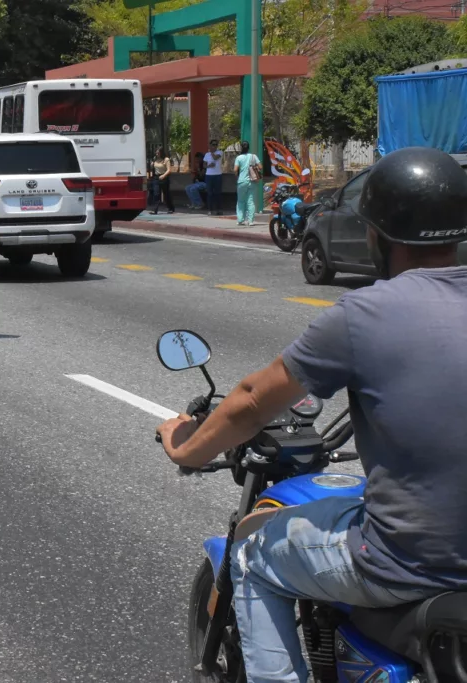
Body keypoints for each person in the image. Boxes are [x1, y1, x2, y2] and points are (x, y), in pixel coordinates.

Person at [155, 146, 467, 683]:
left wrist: (184, 446)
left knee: (252, 552)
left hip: (410, 563)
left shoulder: (365, 313)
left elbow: (253, 400)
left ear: (376, 236)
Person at [233, 140, 262, 226]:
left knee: (241, 201)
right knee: (251, 201)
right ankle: (251, 221)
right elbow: (260, 167)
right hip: (252, 181)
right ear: (248, 148)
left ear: (241, 148)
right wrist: (254, 169)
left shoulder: (239, 158)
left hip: (242, 181)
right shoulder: (253, 156)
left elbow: (235, 170)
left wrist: (237, 175)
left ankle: (240, 219)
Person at [149, 146, 174, 215]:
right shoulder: (155, 159)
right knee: (156, 193)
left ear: (161, 153)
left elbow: (169, 170)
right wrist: (152, 165)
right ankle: (155, 210)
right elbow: (153, 169)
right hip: (156, 178)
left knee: (166, 194)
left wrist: (163, 176)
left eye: (158, 153)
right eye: (156, 153)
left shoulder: (166, 159)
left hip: (164, 177)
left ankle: (170, 208)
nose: (157, 154)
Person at [203, 139, 224, 215]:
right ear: (210, 145)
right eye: (213, 145)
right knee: (209, 193)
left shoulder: (220, 152)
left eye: (216, 145)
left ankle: (219, 209)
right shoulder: (206, 154)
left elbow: (215, 158)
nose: (214, 146)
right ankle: (210, 209)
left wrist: (212, 152)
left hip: (218, 175)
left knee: (218, 193)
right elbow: (204, 165)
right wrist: (209, 165)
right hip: (209, 175)